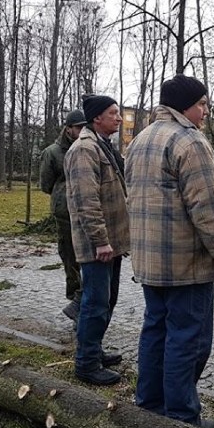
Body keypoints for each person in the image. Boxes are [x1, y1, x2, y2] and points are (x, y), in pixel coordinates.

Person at [125, 74, 214, 428]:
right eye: (202, 104)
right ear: (184, 106)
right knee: (187, 340)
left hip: (149, 261)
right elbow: (207, 209)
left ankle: (149, 406)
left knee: (155, 332)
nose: (206, 111)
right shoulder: (190, 141)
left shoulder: (141, 138)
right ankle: (180, 417)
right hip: (185, 264)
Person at [63, 94, 129, 386]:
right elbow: (86, 200)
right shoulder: (84, 150)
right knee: (94, 303)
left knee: (107, 299)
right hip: (97, 244)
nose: (119, 117)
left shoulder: (102, 146)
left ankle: (95, 350)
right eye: (113, 113)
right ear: (96, 118)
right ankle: (86, 364)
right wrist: (101, 240)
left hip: (111, 242)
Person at [39, 110, 85, 324]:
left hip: (85, 211)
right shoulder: (53, 152)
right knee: (69, 257)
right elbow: (46, 184)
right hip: (65, 212)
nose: (82, 131)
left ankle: (83, 300)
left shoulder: (87, 149)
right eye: (78, 127)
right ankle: (75, 298)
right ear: (68, 129)